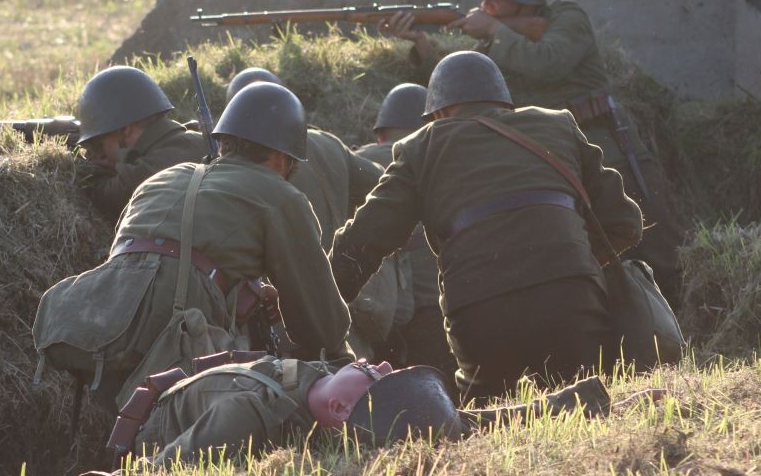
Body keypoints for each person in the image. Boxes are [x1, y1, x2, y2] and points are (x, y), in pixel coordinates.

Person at [329, 51, 643, 401]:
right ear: (504, 104)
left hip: (479, 309)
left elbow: (363, 243)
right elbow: (625, 223)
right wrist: (567, 265)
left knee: (487, 413)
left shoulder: (421, 147)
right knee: (591, 405)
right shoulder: (559, 126)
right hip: (572, 300)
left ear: (439, 114)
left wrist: (318, 317)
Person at [383, 0, 687, 304]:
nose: (484, 7)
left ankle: (683, 314)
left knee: (657, 241)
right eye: (483, 0)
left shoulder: (567, 18)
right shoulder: (498, 42)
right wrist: (422, 46)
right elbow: (461, 92)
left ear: (524, 0)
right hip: (551, 154)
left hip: (607, 145)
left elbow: (549, 63)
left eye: (494, 0)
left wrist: (495, 30)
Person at [34, 82, 349, 414]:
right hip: (178, 338)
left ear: (223, 143)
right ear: (281, 158)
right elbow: (323, 326)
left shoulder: (160, 179)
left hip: (112, 323)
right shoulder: (281, 196)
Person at [111, 353, 640, 467]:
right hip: (155, 417)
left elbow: (467, 424)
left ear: (341, 408)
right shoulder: (307, 384)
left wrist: (590, 402)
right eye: (382, 372)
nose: (383, 363)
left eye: (378, 378)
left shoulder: (252, 416)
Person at [223, 68, 405, 361]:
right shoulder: (327, 145)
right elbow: (382, 185)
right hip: (342, 309)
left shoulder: (228, 172)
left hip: (276, 329)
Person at [353, 84, 454, 379]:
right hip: (439, 307)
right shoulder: (447, 157)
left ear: (380, 135)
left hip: (379, 315)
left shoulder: (357, 160)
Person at [75, 65, 209, 224]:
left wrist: (96, 166)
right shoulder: (200, 140)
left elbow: (100, 193)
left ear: (125, 130)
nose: (101, 152)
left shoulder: (143, 173)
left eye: (99, 143)